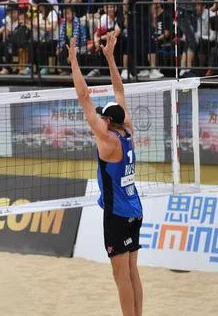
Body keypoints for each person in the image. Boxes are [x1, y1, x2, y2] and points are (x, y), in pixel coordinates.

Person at [68, 32, 143, 316]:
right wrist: (110, 58)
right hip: (135, 208)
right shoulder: (127, 130)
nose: (99, 117)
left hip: (117, 214)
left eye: (103, 116)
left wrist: (74, 61)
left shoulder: (107, 139)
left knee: (120, 276)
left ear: (108, 121)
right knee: (133, 271)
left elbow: (83, 95)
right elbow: (119, 91)